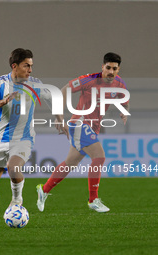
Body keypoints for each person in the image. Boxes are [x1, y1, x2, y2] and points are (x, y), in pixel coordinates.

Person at [36, 52, 130, 213]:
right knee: (99, 156)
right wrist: (59, 116)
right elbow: (64, 90)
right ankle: (93, 200)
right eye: (108, 68)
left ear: (118, 69)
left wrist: (124, 111)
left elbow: (124, 100)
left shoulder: (119, 84)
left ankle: (43, 190)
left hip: (93, 127)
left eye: (114, 69)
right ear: (102, 67)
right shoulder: (89, 80)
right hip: (79, 122)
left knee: (70, 163)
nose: (111, 72)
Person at [0, 48, 63, 228]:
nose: (30, 70)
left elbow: (53, 98)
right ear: (14, 66)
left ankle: (17, 201)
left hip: (23, 138)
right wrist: (2, 101)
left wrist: (59, 119)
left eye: (31, 66)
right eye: (26, 65)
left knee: (13, 166)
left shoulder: (34, 84)